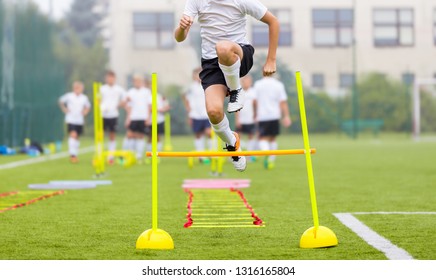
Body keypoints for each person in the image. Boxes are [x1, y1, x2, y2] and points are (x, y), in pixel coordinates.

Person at [175, 0, 279, 172]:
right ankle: (232, 143)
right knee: (214, 112)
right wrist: (181, 28)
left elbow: (273, 21)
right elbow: (179, 38)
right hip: (211, 65)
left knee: (222, 48)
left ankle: (236, 90)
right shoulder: (196, 1)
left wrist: (271, 60)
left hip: (238, 54)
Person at [254, 76, 292, 169]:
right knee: (272, 139)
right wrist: (286, 116)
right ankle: (271, 160)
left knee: (262, 139)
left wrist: (255, 113)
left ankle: (266, 152)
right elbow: (283, 102)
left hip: (262, 116)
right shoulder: (278, 85)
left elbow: (254, 101)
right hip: (275, 115)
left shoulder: (258, 84)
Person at [59, 81, 91, 163]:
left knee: (77, 137)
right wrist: (64, 109)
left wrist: (85, 112)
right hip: (71, 119)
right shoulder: (69, 96)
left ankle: (75, 154)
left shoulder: (84, 98)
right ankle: (72, 155)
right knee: (73, 135)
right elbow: (60, 101)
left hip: (79, 120)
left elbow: (88, 107)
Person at [183, 67, 212, 157]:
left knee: (209, 133)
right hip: (195, 115)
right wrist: (189, 112)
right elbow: (185, 97)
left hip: (206, 114)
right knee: (198, 134)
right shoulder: (191, 87)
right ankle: (201, 155)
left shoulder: (207, 85)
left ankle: (212, 153)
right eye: (196, 75)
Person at [123, 75, 151, 163]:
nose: (137, 83)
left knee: (141, 136)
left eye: (139, 81)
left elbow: (149, 106)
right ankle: (127, 154)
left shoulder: (147, 92)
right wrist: (128, 118)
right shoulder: (130, 92)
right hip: (133, 117)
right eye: (136, 81)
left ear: (142, 82)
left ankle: (138, 156)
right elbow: (127, 105)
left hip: (143, 117)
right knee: (129, 135)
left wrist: (148, 117)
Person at [99, 70, 125, 164]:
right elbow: (98, 99)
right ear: (106, 78)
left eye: (112, 77)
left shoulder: (119, 89)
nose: (110, 79)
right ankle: (99, 155)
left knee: (112, 136)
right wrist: (101, 107)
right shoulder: (102, 88)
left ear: (114, 79)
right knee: (100, 135)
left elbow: (125, 99)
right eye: (108, 77)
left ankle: (111, 157)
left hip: (113, 115)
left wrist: (119, 105)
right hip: (102, 115)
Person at [145, 76, 171, 154]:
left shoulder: (159, 96)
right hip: (150, 120)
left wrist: (165, 108)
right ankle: (149, 153)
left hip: (159, 119)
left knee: (157, 136)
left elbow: (165, 106)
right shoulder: (148, 96)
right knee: (150, 137)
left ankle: (157, 154)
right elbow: (150, 108)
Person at [235, 75, 257, 162]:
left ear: (250, 82)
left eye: (248, 81)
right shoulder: (239, 92)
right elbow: (236, 107)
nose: (246, 83)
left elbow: (256, 105)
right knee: (237, 137)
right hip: (241, 119)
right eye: (244, 81)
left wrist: (256, 115)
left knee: (251, 136)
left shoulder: (253, 92)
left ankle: (249, 155)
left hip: (250, 119)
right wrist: (237, 119)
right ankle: (236, 155)